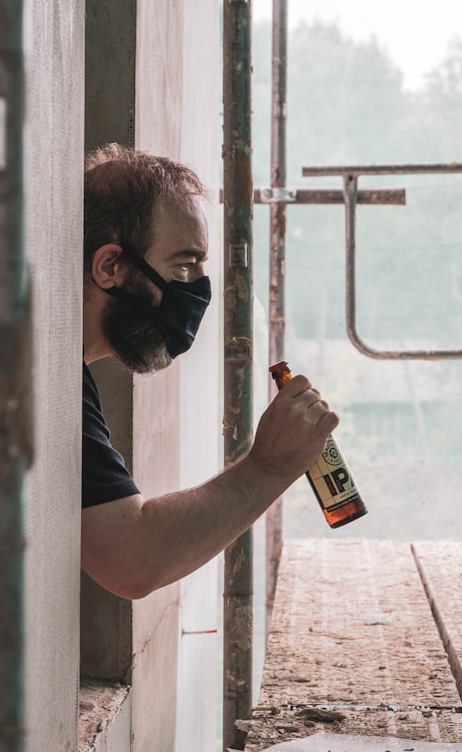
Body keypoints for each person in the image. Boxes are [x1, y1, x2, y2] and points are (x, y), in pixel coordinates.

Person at [81, 143, 336, 599]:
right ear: (110, 266)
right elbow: (132, 559)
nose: (197, 290)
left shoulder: (61, 370)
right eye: (183, 265)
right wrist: (268, 467)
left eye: (200, 266)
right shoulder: (46, 385)